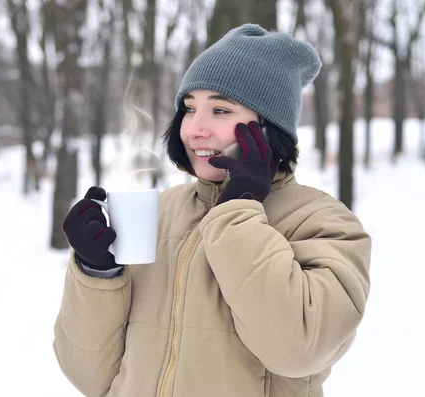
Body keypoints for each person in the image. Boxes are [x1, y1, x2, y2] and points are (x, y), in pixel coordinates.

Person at [53, 24, 371, 397]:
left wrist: (238, 212)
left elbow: (298, 350)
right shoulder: (160, 213)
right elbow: (89, 377)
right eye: (189, 109)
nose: (195, 129)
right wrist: (97, 272)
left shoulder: (324, 223)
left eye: (220, 109)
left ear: (268, 129)